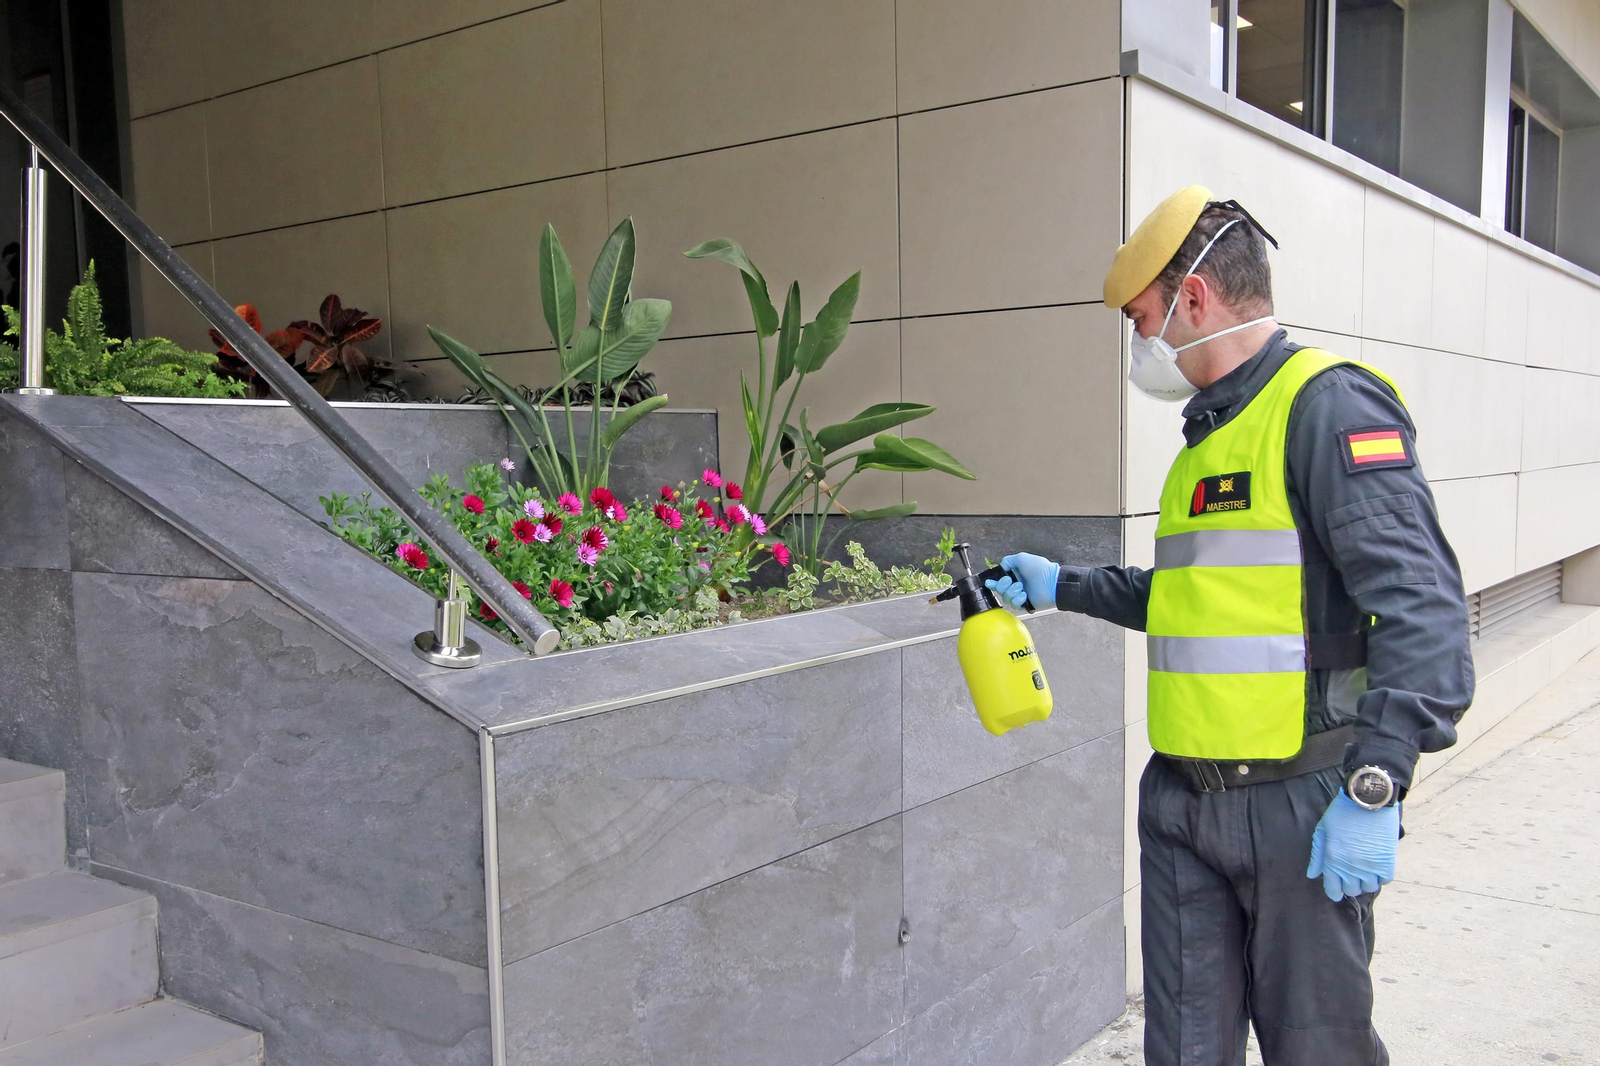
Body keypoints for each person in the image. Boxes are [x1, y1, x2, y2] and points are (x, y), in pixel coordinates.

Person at [988, 186, 1473, 1065]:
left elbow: (1423, 606)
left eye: (1141, 320)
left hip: (1298, 804)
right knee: (1184, 1051)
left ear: (1194, 298)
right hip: (1183, 802)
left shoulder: (1326, 407)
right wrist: (1064, 586)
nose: (1141, 343)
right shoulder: (1209, 437)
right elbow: (1197, 597)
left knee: (1317, 1049)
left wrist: (1375, 787)